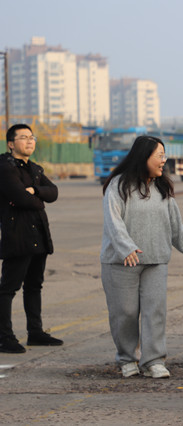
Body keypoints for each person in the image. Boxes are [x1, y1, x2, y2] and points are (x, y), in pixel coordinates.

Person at [101, 135, 183, 378]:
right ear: (144, 157)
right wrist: (126, 247)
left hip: (156, 260)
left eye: (164, 155)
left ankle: (153, 360)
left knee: (155, 311)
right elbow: (113, 221)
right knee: (125, 313)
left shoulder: (162, 188)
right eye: (160, 156)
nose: (164, 161)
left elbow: (175, 225)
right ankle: (127, 358)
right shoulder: (118, 186)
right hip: (121, 261)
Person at [0, 124, 62, 353]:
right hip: (18, 236)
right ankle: (4, 337)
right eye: (23, 137)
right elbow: (20, 198)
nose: (29, 141)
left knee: (34, 286)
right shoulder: (5, 168)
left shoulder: (34, 168)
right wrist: (36, 198)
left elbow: (53, 192)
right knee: (8, 288)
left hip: (39, 234)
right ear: (10, 143)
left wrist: (35, 191)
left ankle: (35, 333)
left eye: (31, 137)